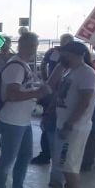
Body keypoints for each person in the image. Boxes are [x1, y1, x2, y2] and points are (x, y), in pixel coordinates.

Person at [0, 31, 48, 188]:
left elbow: (21, 90)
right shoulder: (16, 67)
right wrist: (37, 94)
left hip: (23, 120)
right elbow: (11, 94)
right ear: (22, 45)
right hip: (12, 120)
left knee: (24, 157)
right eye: (32, 45)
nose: (34, 49)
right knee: (8, 159)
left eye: (35, 46)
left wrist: (35, 91)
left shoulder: (24, 65)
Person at [48, 42, 95, 188]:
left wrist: (70, 123)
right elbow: (55, 89)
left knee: (71, 166)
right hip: (64, 124)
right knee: (64, 164)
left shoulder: (87, 73)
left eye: (66, 54)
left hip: (75, 127)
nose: (63, 57)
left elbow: (84, 102)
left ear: (77, 54)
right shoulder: (71, 71)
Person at [33, 33, 74, 165]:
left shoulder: (71, 57)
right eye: (63, 41)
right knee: (47, 122)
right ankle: (45, 154)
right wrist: (46, 79)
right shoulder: (53, 52)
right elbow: (44, 64)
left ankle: (61, 157)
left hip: (65, 94)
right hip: (52, 91)